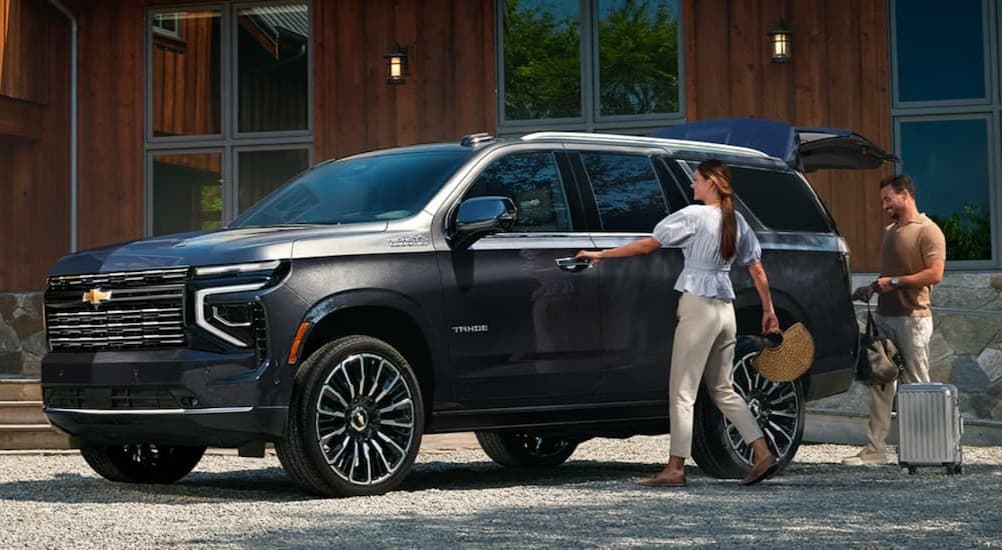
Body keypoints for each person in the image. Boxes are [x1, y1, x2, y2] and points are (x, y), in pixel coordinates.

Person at [576, 159, 780, 487]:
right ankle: (761, 450)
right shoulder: (736, 220)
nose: (691, 185)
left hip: (699, 306)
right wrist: (769, 310)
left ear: (711, 182)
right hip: (725, 309)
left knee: (682, 391)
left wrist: (601, 255)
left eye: (696, 179)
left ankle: (675, 468)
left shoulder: (694, 215)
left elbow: (648, 245)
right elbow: (756, 270)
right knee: (723, 388)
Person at [844, 174, 945, 466]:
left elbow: (935, 273)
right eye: (882, 200)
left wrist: (897, 281)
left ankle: (925, 450)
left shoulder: (928, 231)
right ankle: (875, 450)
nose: (884, 204)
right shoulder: (890, 231)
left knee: (916, 386)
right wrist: (873, 287)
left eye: (888, 198)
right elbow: (889, 274)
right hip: (884, 316)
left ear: (905, 195)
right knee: (881, 380)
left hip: (913, 319)